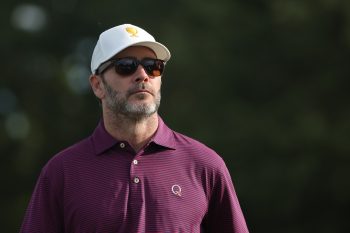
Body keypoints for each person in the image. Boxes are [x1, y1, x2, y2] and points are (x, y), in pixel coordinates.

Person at [20, 23, 249, 233]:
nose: (142, 75)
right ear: (97, 85)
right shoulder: (62, 172)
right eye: (126, 66)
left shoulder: (205, 165)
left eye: (153, 67)